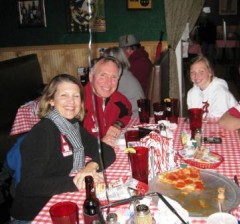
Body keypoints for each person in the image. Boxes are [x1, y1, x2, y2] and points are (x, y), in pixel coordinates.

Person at [10, 74, 116, 222]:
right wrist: (76, 181)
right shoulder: (43, 132)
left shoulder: (74, 127)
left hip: (61, 200)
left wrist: (90, 167)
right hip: (34, 213)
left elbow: (107, 151)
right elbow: (30, 185)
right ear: (51, 100)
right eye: (64, 95)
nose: (71, 102)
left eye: (76, 96)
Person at [84, 56, 132, 147]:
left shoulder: (118, 99)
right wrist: (99, 144)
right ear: (91, 76)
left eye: (114, 77)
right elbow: (70, 142)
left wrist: (117, 124)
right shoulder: (78, 103)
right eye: (103, 75)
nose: (108, 83)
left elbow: (127, 112)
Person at [102, 47, 145, 117]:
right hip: (137, 113)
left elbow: (105, 100)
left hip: (134, 117)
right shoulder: (124, 73)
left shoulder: (119, 77)